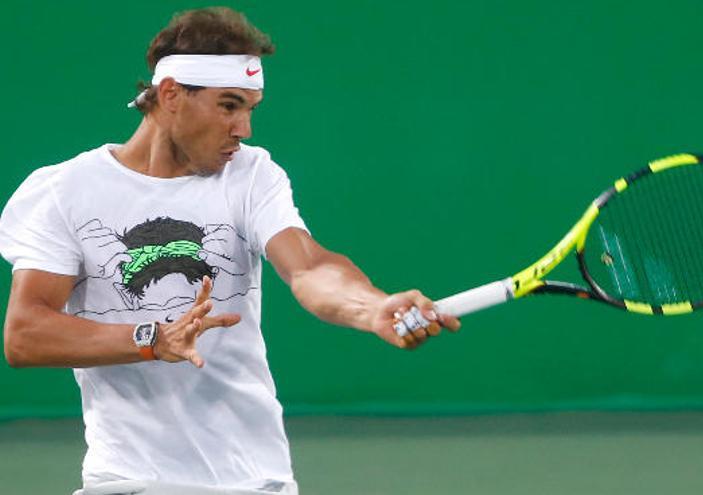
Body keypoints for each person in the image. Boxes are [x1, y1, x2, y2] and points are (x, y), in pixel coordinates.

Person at [0, 7, 460, 495]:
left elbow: (308, 267)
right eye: (228, 106)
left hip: (254, 481)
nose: (244, 129)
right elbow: (25, 334)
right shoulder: (65, 191)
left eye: (250, 109)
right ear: (172, 94)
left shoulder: (251, 176)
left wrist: (370, 308)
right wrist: (152, 339)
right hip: (126, 481)